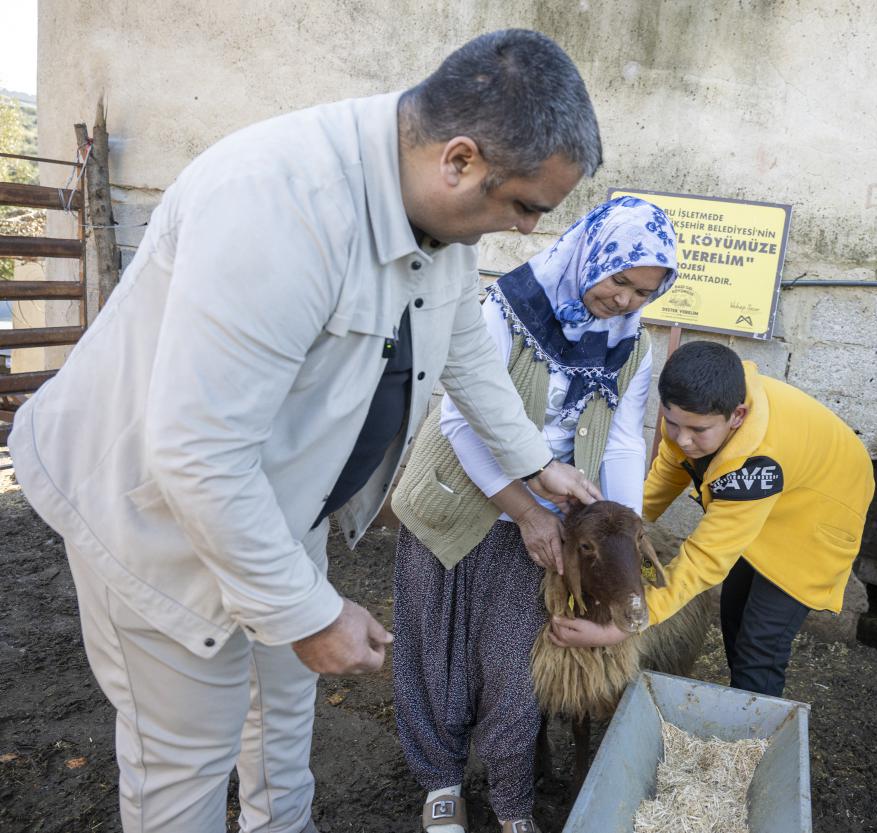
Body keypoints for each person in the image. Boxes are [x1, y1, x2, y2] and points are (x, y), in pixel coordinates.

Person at [9, 30, 607, 833]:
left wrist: (534, 462)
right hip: (155, 521)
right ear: (460, 160)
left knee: (281, 714)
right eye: (526, 206)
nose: (529, 230)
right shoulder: (276, 205)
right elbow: (198, 455)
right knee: (186, 756)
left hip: (280, 505)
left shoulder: (437, 215)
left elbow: (461, 341)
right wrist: (308, 614)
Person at [388, 196, 677, 833]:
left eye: (643, 292)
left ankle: (512, 803)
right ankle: (441, 784)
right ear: (591, 256)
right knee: (435, 653)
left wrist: (618, 526)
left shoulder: (632, 345)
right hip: (456, 505)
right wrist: (524, 510)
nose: (626, 300)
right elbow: (461, 422)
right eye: (620, 280)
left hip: (549, 524)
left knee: (516, 671)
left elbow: (623, 439)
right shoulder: (508, 311)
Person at [550, 341, 875, 698]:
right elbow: (669, 472)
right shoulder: (696, 414)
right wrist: (624, 527)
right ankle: (741, 698)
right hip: (774, 497)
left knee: (760, 644)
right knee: (734, 617)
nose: (683, 440)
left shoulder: (756, 466)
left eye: (698, 431)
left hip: (819, 516)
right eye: (672, 423)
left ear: (737, 416)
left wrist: (627, 626)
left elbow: (706, 558)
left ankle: (753, 727)